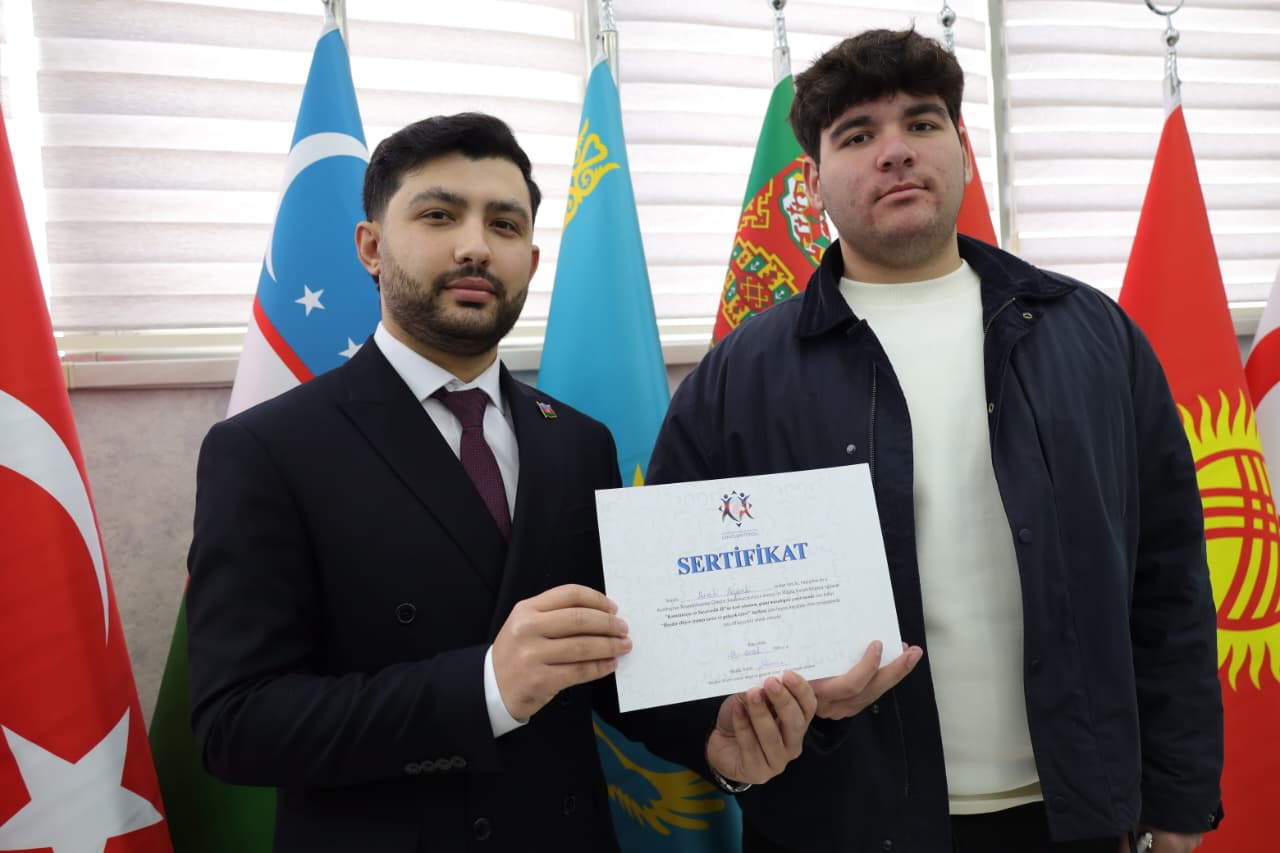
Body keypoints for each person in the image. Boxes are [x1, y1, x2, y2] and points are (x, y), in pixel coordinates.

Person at [646, 28, 1223, 853]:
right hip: (840, 826)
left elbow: (1170, 579)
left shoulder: (1094, 337)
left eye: (921, 123)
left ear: (962, 149)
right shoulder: (738, 378)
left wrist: (1179, 794)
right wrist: (729, 735)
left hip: (1076, 816)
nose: (895, 151)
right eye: (857, 135)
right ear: (811, 182)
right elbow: (674, 622)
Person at [185, 112, 817, 853]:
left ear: (533, 259)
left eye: (505, 225)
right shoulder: (267, 449)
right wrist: (484, 689)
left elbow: (607, 659)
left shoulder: (578, 441)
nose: (475, 246)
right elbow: (236, 724)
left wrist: (713, 739)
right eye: (438, 215)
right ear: (371, 247)